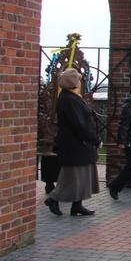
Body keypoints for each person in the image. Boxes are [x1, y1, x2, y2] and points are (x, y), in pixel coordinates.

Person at [44, 68, 102, 217]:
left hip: (79, 143)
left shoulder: (72, 96)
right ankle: (54, 199)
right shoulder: (68, 99)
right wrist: (95, 140)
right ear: (73, 83)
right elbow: (79, 124)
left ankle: (77, 205)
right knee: (73, 175)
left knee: (83, 174)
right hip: (74, 143)